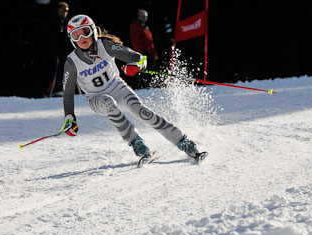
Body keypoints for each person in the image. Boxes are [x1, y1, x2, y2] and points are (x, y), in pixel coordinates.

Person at [60, 14, 207, 162]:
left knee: (143, 112)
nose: (81, 39)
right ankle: (137, 143)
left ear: (92, 31)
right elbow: (67, 94)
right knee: (107, 102)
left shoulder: (105, 45)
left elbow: (138, 57)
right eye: (76, 35)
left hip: (117, 87)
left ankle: (183, 142)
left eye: (84, 32)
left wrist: (137, 66)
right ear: (71, 39)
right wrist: (69, 118)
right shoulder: (72, 63)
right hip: (96, 98)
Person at [43, 1, 73, 97]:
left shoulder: (67, 23)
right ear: (57, 11)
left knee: (65, 71)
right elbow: (52, 40)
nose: (63, 13)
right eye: (61, 10)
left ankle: (60, 89)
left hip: (66, 53)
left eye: (66, 10)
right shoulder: (53, 22)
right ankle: (53, 91)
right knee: (58, 72)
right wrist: (55, 52)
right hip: (57, 53)